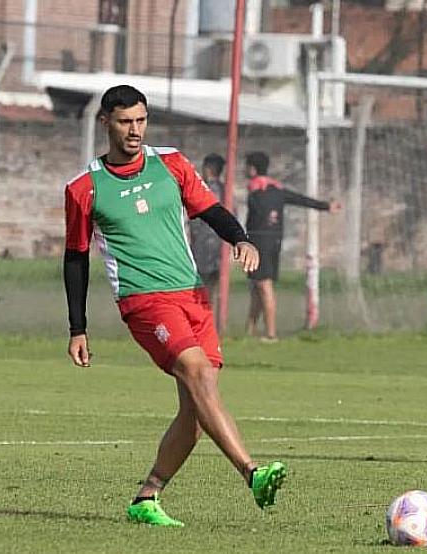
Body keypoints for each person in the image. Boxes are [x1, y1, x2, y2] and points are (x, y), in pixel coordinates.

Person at [63, 85, 287, 527]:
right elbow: (75, 258)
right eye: (125, 122)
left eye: (141, 120)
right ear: (105, 122)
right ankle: (252, 472)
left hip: (192, 295)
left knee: (197, 410)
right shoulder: (84, 188)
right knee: (198, 374)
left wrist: (241, 239)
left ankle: (147, 497)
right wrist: (77, 327)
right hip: (144, 301)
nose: (135, 130)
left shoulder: (171, 163)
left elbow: (211, 210)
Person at [243, 151, 341, 341]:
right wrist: (326, 206)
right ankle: (249, 330)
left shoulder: (256, 190)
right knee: (257, 287)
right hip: (274, 241)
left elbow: (253, 220)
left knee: (264, 286)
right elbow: (300, 199)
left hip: (260, 242)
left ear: (252, 169)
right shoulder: (276, 189)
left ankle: (271, 334)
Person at [189, 153, 225, 314]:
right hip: (220, 244)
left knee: (199, 287)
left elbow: (196, 219)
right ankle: (210, 318)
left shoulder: (203, 189)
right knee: (212, 287)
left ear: (208, 169)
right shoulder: (225, 191)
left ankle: (203, 318)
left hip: (204, 244)